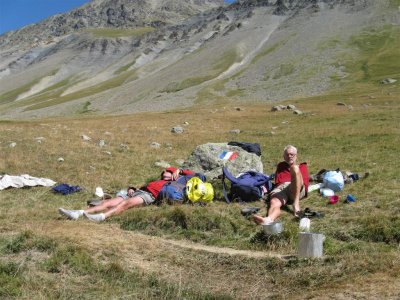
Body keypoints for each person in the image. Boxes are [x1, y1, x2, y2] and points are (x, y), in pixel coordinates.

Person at [58, 167, 194, 222]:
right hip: (139, 191)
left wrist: (179, 170)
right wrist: (132, 189)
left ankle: (101, 217)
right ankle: (78, 213)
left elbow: (193, 175)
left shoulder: (175, 182)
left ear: (173, 175)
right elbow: (143, 186)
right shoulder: (157, 180)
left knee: (125, 204)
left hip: (149, 197)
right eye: (165, 171)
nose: (165, 172)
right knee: (108, 202)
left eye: (168, 172)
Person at [253, 145, 309, 225]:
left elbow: (304, 184)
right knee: (274, 202)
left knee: (295, 168)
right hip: (280, 189)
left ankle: (295, 205)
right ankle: (268, 219)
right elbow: (277, 181)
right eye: (287, 154)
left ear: (296, 156)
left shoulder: (302, 166)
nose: (289, 156)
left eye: (292, 154)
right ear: (284, 156)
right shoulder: (281, 166)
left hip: (294, 187)